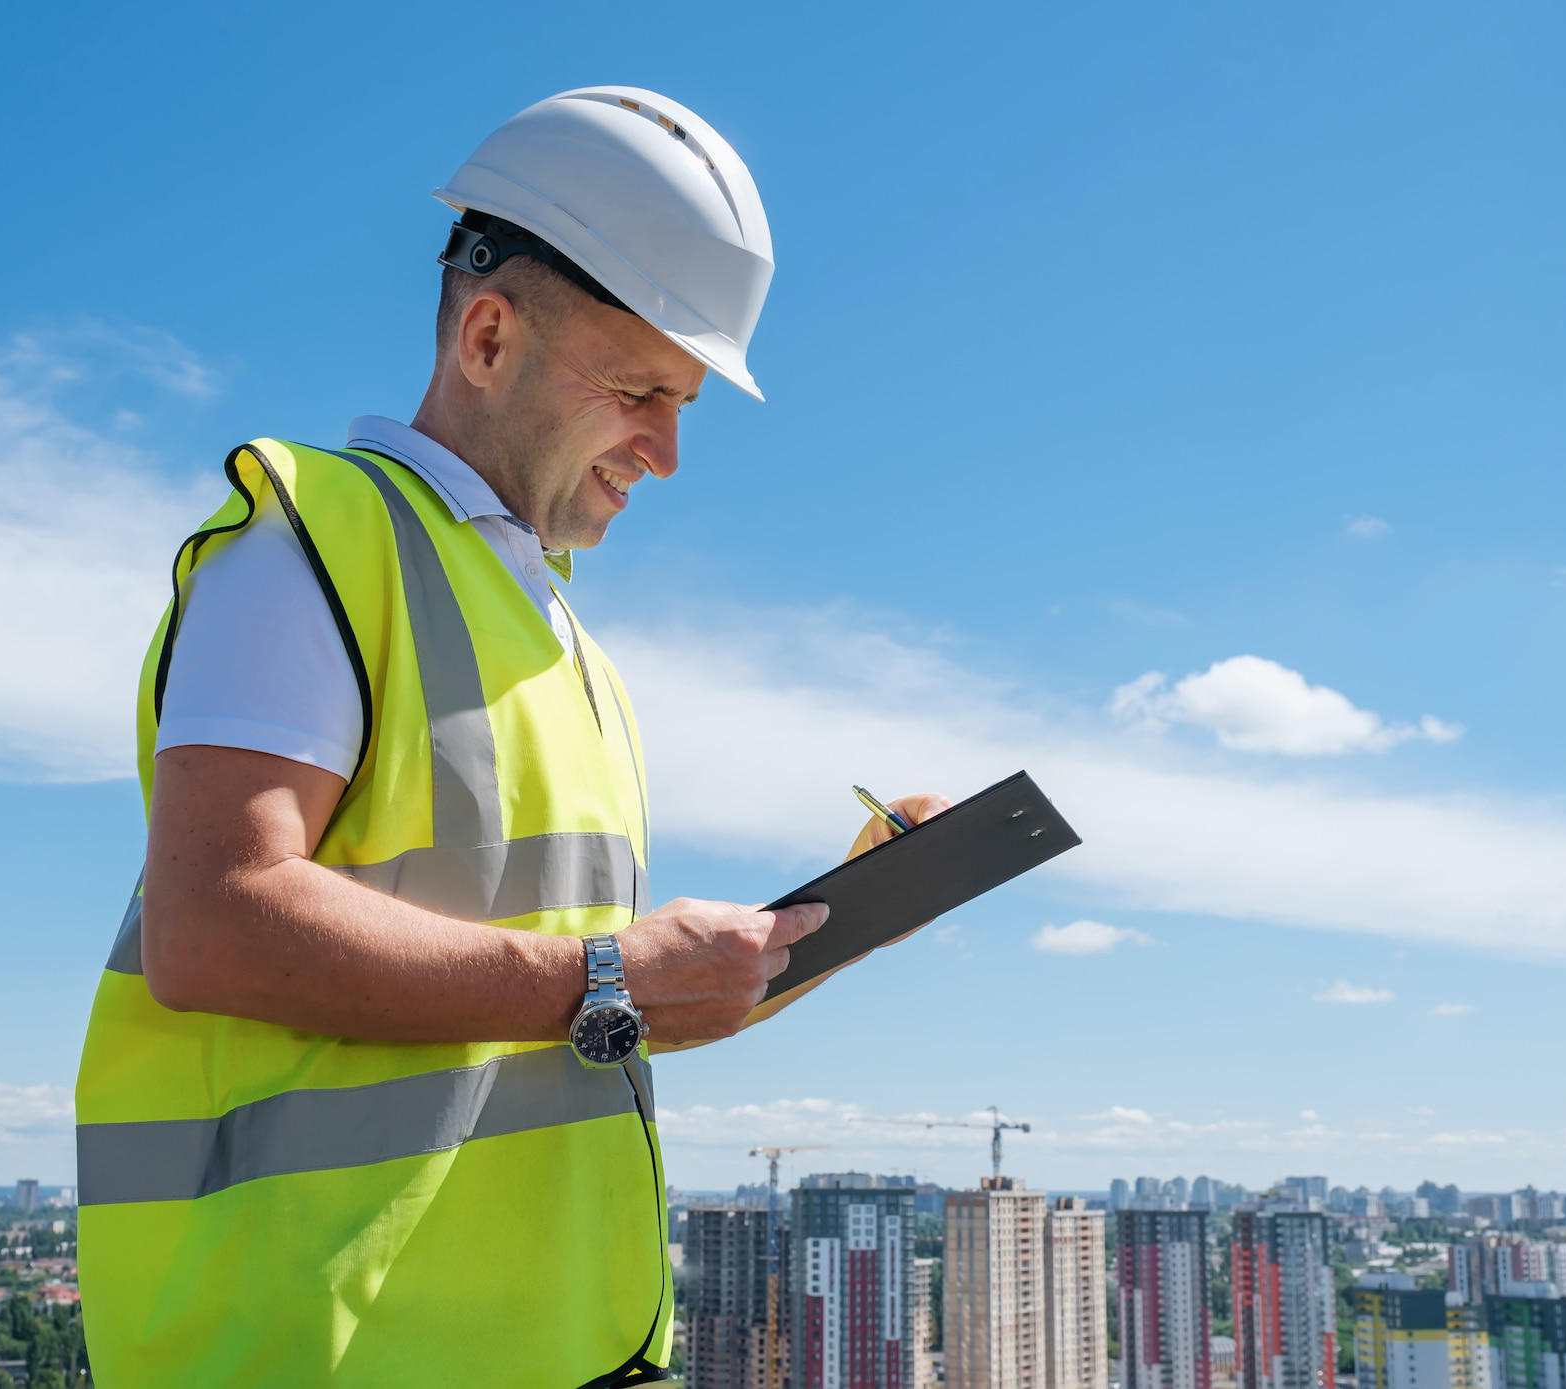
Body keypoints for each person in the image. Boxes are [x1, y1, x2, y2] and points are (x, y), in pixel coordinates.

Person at [71, 86, 946, 1387]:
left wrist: (832, 928)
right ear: (487, 336)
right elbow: (213, 920)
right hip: (327, 1357)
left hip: (562, 1354)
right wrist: (607, 978)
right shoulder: (315, 542)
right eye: (642, 389)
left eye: (687, 403)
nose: (666, 450)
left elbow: (598, 1005)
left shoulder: (567, 649)